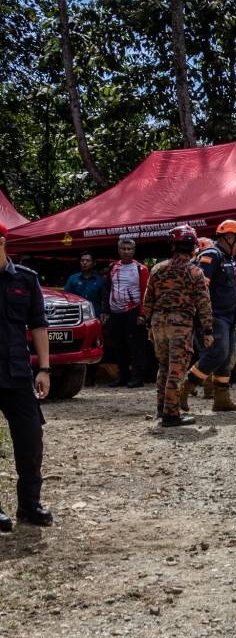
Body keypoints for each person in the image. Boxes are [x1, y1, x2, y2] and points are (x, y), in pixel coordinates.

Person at [0, 221, 53, 530]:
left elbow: (38, 324)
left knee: (31, 439)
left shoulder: (26, 279)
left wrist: (44, 368)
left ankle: (29, 504)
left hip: (17, 373)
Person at [143, 225, 213, 427]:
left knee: (164, 367)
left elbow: (148, 301)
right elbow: (203, 304)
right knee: (177, 368)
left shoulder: (157, 269)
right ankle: (171, 414)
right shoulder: (195, 272)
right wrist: (208, 331)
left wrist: (149, 325)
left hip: (158, 324)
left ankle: (161, 408)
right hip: (180, 325)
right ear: (192, 248)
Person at [178, 220, 236, 412]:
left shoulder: (228, 259)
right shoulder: (211, 255)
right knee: (217, 354)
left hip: (229, 316)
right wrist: (203, 318)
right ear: (229, 237)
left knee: (227, 358)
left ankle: (221, 398)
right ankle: (185, 387)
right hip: (214, 315)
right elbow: (201, 288)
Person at [102, 237, 150, 388]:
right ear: (119, 250)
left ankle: (137, 377)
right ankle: (123, 376)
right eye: (123, 249)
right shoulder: (113, 267)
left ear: (134, 251)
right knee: (119, 345)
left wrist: (142, 314)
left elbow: (146, 292)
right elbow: (107, 289)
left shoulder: (140, 269)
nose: (126, 251)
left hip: (133, 311)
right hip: (116, 312)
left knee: (136, 346)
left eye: (129, 249)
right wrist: (106, 311)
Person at [64, 251, 104, 317]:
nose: (84, 263)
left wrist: (103, 313)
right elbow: (66, 297)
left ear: (94, 263)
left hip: (95, 316)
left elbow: (104, 300)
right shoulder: (73, 278)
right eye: (82, 260)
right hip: (76, 316)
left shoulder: (100, 280)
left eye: (88, 260)